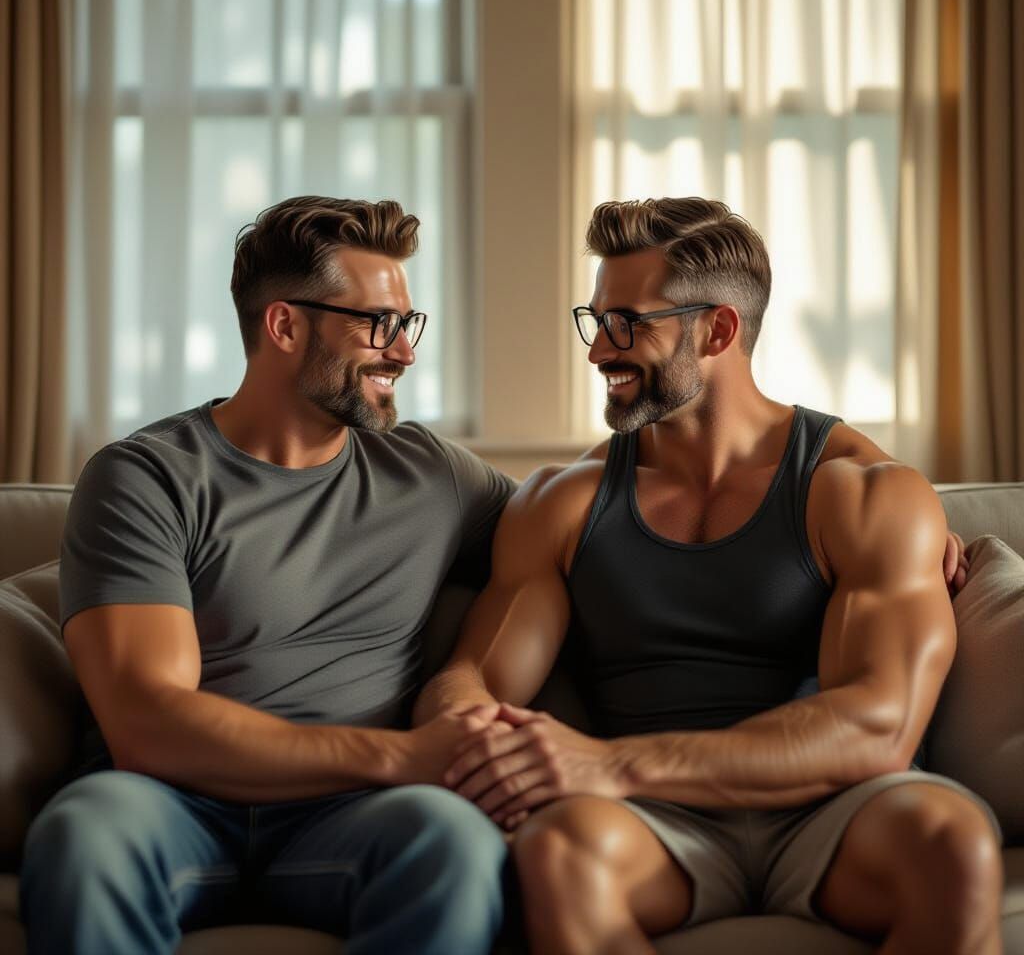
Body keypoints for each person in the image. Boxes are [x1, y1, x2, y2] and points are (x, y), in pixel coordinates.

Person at [417, 197, 1001, 955]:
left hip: (835, 807)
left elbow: (877, 728)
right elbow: (470, 679)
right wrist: (472, 725)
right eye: (594, 321)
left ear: (719, 329)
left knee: (952, 841)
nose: (598, 351)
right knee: (557, 853)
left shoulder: (863, 493)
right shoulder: (564, 504)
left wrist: (607, 761)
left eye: (628, 323)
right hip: (650, 820)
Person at [19, 197, 517, 955]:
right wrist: (401, 756)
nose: (404, 353)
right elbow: (147, 724)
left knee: (452, 839)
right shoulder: (146, 477)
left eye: (407, 324)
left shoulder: (434, 477)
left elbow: (566, 541)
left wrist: (466, 678)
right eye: (376, 325)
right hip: (170, 808)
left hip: (352, 818)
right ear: (284, 326)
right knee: (85, 834)